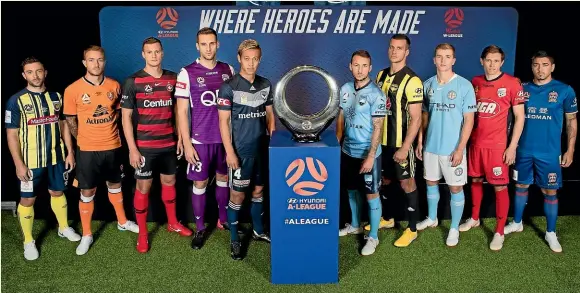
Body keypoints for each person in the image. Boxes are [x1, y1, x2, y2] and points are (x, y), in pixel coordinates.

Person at [63, 45, 139, 256]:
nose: (96, 64)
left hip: (113, 146)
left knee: (115, 185)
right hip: (87, 150)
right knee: (87, 191)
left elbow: (118, 114)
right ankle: (87, 233)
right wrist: (84, 140)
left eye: (99, 60)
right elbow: (70, 120)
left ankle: (122, 222)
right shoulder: (73, 89)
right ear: (84, 63)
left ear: (104, 61)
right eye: (91, 60)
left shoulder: (115, 85)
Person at [121, 37, 192, 253]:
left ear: (163, 53)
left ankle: (172, 223)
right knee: (144, 187)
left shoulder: (173, 78)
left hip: (169, 144)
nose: (153, 55)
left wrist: (180, 137)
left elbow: (179, 112)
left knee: (170, 182)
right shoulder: (132, 81)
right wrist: (132, 149)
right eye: (149, 52)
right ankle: (142, 234)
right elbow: (125, 118)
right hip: (145, 147)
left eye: (157, 51)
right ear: (143, 54)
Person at [5, 57, 81, 260]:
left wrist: (70, 151)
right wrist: (18, 164)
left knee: (57, 192)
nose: (35, 76)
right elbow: (11, 134)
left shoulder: (56, 97)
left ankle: (63, 227)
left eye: (38, 71)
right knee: (28, 199)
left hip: (56, 158)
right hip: (30, 162)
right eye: (30, 72)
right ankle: (28, 241)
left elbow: (63, 125)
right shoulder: (16, 100)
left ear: (45, 72)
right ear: (24, 76)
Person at [505, 50, 577, 252]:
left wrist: (570, 150)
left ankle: (551, 232)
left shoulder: (564, 90)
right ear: (532, 67)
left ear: (552, 67)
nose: (540, 69)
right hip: (524, 150)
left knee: (550, 190)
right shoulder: (523, 89)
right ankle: (517, 222)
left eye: (545, 65)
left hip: (549, 152)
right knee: (520, 185)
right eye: (536, 64)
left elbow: (572, 121)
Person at [459, 45, 526, 251]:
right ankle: (475, 218)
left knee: (500, 186)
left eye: (496, 61)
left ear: (502, 63)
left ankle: (498, 231)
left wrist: (512, 146)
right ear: (482, 61)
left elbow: (519, 117)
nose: (492, 64)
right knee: (476, 180)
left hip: (497, 148)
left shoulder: (512, 83)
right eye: (488, 60)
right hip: (475, 145)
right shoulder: (475, 82)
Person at [175, 27, 235, 250]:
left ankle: (223, 219)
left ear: (218, 44)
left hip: (225, 139)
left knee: (223, 178)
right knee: (200, 183)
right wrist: (187, 142)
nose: (208, 48)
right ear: (197, 46)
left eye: (212, 43)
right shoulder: (186, 72)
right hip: (200, 141)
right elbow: (181, 111)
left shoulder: (228, 69)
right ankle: (200, 228)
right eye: (204, 44)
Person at [217, 39, 275, 260]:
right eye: (247, 59)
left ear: (259, 59)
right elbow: (223, 123)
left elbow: (270, 115)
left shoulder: (265, 84)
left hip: (262, 151)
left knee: (258, 191)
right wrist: (230, 152)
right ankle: (234, 238)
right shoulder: (229, 87)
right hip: (241, 153)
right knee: (238, 195)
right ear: (239, 58)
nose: (251, 63)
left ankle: (258, 231)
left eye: (255, 59)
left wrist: (272, 139)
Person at [415, 43, 476, 246]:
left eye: (447, 56)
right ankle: (432, 218)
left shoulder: (464, 86)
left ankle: (454, 228)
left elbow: (469, 120)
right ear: (434, 60)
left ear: (453, 60)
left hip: (452, 149)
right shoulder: (427, 85)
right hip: (431, 146)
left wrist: (460, 149)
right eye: (439, 56)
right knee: (431, 182)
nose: (443, 60)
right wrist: (420, 139)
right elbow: (424, 115)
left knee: (455, 188)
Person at [373, 34, 423, 247]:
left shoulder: (413, 80)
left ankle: (412, 229)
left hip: (401, 142)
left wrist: (405, 147)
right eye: (392, 47)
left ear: (407, 52)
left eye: (399, 48)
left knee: (406, 182)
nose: (394, 51)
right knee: (384, 181)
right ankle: (387, 218)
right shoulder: (381, 75)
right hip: (381, 143)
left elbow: (417, 118)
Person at [336, 50, 386, 256]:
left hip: (368, 154)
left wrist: (370, 156)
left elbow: (378, 127)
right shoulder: (346, 88)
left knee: (372, 194)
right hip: (348, 151)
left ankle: (373, 236)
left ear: (370, 68)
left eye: (364, 65)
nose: (360, 69)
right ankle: (355, 225)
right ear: (350, 66)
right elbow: (341, 117)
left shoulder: (376, 94)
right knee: (351, 190)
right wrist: (337, 145)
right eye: (356, 65)